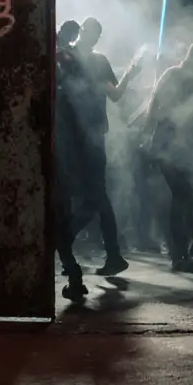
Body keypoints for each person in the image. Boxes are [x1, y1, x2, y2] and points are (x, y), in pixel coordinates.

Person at [67, 16, 144, 277]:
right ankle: (106, 253)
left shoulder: (94, 60)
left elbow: (115, 94)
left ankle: (69, 243)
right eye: (91, 32)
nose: (93, 37)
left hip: (87, 135)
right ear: (81, 31)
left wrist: (130, 75)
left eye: (97, 34)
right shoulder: (66, 56)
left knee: (94, 194)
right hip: (75, 135)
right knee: (92, 195)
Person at [144, 41, 193, 273]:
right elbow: (155, 107)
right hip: (169, 144)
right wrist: (149, 137)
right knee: (182, 195)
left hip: (189, 143)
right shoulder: (173, 75)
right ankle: (179, 256)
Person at [53, 20, 87, 300]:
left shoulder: (60, 63)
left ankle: (73, 272)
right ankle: (73, 272)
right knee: (59, 219)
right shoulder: (68, 63)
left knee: (57, 219)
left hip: (57, 154)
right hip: (63, 154)